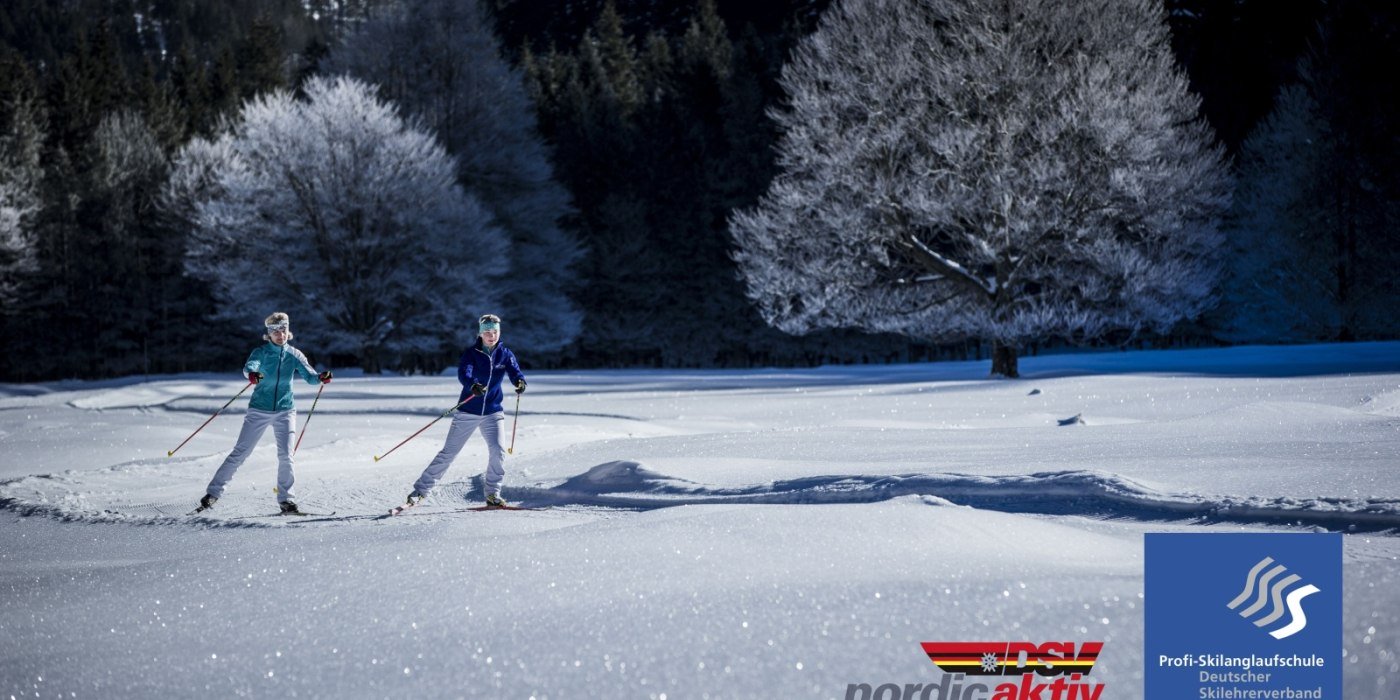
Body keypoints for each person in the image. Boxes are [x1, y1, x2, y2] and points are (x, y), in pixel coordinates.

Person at [197, 312, 331, 514]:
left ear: (288, 332)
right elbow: (249, 367)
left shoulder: (295, 354)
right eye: (276, 331)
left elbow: (310, 377)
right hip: (259, 409)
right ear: (269, 334)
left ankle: (287, 500)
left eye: (284, 330)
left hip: (285, 410)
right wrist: (251, 374)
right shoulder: (261, 352)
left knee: (286, 456)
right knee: (240, 452)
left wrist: (321, 377)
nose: (281, 335)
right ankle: (213, 493)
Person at [405, 313, 526, 509]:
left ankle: (493, 493)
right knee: (449, 453)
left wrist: (520, 382)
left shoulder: (505, 354)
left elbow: (515, 371)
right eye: (487, 332)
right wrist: (473, 386)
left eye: (495, 332)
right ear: (480, 333)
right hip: (468, 411)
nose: (491, 335)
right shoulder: (471, 353)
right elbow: (464, 373)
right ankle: (420, 491)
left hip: (493, 412)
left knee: (498, 451)